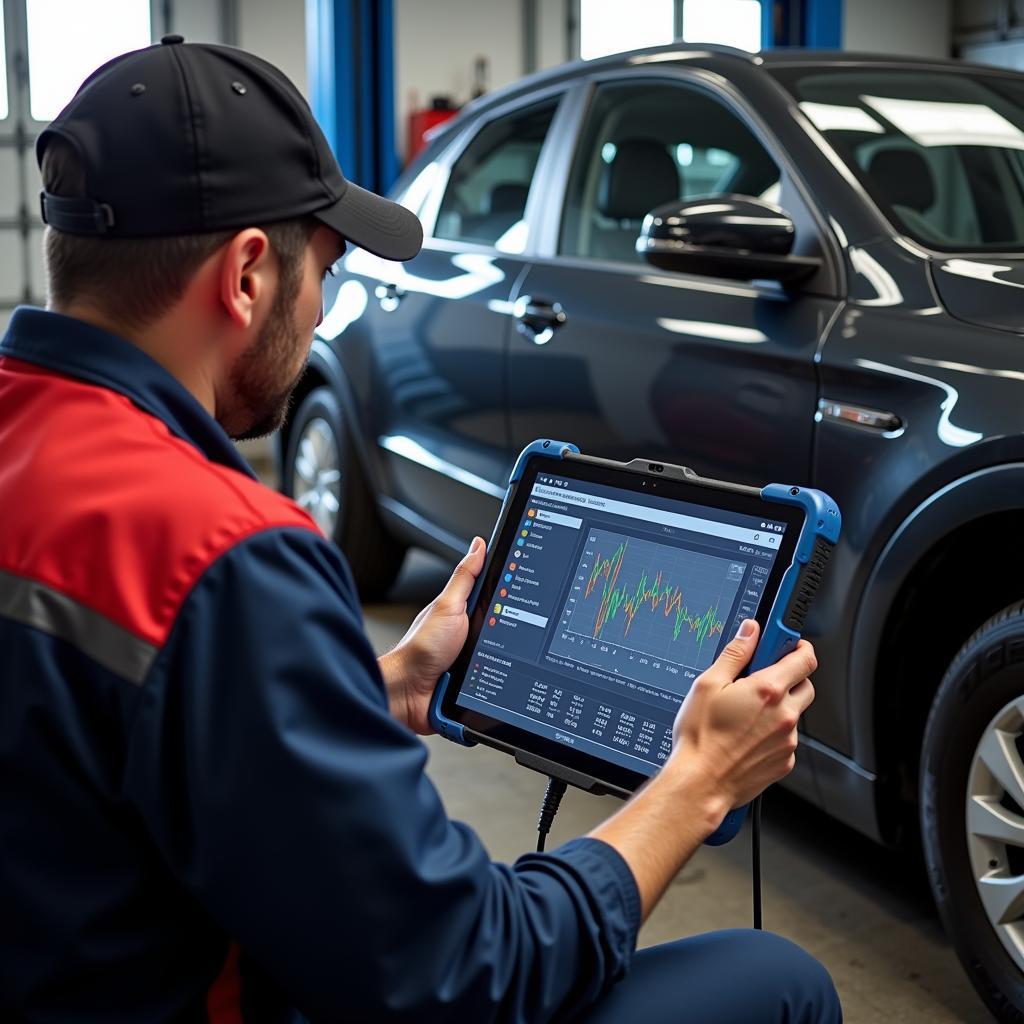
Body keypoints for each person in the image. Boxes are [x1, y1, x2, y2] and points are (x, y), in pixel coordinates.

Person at [0, 37, 841, 1024]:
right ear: (246, 277)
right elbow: (463, 976)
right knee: (776, 980)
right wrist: (696, 783)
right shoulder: (218, 555)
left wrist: (378, 685)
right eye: (322, 270)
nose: (319, 310)